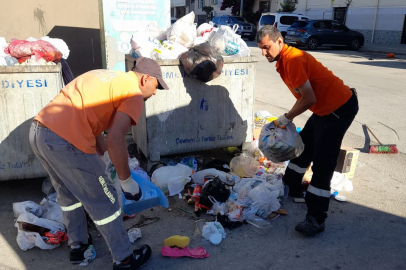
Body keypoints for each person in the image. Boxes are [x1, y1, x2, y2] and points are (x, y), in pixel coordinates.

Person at [29, 57, 169, 269]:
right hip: (67, 139)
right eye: (156, 85)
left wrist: (106, 158)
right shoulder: (133, 93)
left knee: (68, 195)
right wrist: (127, 181)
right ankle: (124, 259)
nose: (155, 92)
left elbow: (95, 128)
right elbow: (115, 139)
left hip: (40, 132)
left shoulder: (106, 76)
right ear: (145, 79)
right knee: (106, 202)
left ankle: (79, 247)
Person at [256, 26, 359, 236]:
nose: (264, 53)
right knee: (304, 145)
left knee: (323, 161)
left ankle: (316, 217)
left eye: (267, 47)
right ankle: (291, 185)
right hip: (323, 109)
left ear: (279, 41)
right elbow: (308, 97)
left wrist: (286, 118)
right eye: (261, 48)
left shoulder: (292, 60)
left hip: (338, 108)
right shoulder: (284, 60)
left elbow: (309, 98)